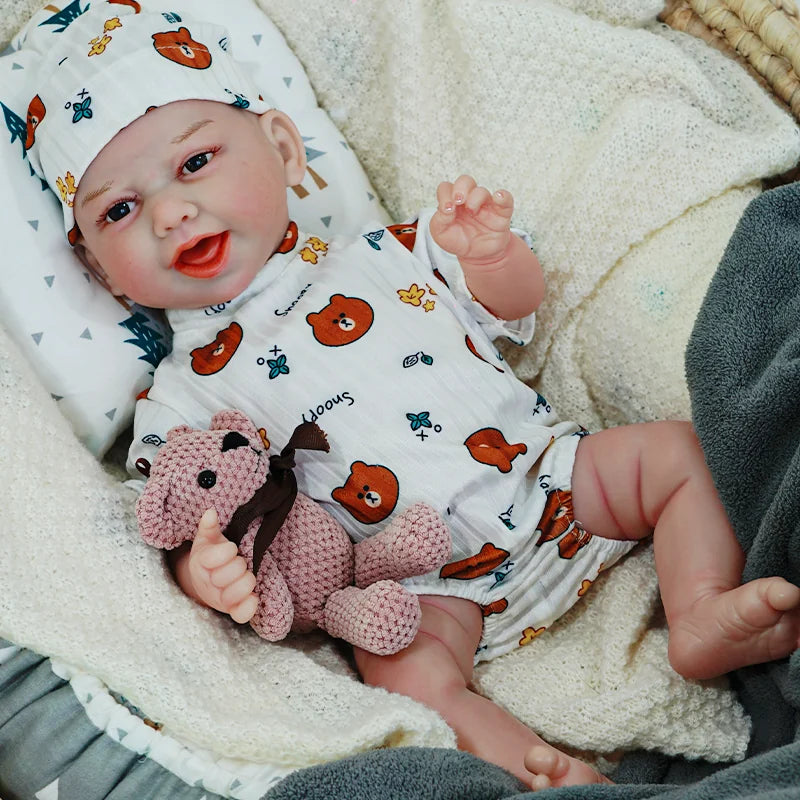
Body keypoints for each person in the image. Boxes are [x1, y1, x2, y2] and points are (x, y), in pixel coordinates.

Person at [25, 3, 800, 790]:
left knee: (675, 452)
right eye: (120, 210)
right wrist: (206, 572)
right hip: (427, 589)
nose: (170, 211)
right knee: (398, 670)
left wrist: (490, 255)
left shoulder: (389, 251)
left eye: (195, 163)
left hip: (555, 482)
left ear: (283, 149)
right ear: (96, 268)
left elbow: (512, 306)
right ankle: (538, 771)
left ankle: (699, 611)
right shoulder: (181, 398)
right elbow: (186, 512)